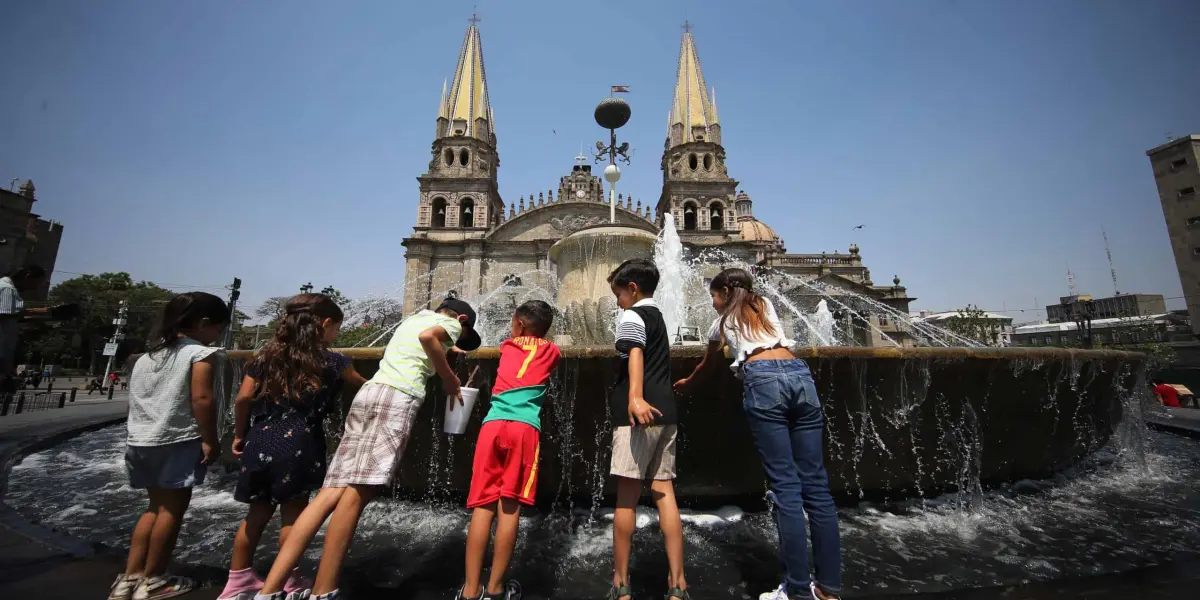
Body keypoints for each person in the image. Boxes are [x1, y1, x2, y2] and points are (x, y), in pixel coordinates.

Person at [254, 297, 482, 600]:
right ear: (462, 320)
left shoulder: (413, 319)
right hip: (397, 399)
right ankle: (324, 591)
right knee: (358, 493)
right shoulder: (451, 324)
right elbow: (430, 339)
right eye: (461, 337)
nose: (456, 339)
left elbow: (423, 339)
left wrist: (442, 355)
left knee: (329, 493)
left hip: (370, 393)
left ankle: (269, 590)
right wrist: (450, 378)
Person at [675, 268, 841, 600]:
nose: (711, 303)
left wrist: (685, 385)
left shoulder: (722, 320)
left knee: (786, 489)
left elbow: (706, 366)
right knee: (818, 489)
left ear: (723, 292)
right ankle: (828, 589)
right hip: (799, 375)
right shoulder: (765, 304)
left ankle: (796, 590)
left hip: (763, 379)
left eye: (713, 296)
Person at [218, 294, 366, 600]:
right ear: (325, 324)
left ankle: (237, 580)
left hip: (259, 438)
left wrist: (239, 433)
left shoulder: (262, 357)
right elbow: (364, 386)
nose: (336, 334)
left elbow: (243, 398)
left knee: (255, 515)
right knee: (292, 516)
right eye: (336, 328)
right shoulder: (333, 361)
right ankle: (289, 580)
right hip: (300, 440)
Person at [109, 292, 232, 600]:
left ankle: (130, 578)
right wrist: (210, 440)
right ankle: (155, 580)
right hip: (176, 440)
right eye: (218, 328)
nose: (217, 335)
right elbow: (202, 399)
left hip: (141, 440)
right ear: (203, 324)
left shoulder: (147, 357)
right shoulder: (199, 354)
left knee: (153, 508)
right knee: (171, 512)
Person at [458, 300, 561, 600]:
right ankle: (496, 589)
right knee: (510, 508)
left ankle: (470, 590)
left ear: (516, 324)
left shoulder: (507, 347)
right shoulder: (551, 351)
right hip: (524, 429)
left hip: (492, 426)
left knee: (482, 507)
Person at [604, 259, 689, 600]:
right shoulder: (660, 316)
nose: (618, 301)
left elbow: (634, 352)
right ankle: (677, 582)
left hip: (638, 414)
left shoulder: (632, 315)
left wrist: (635, 397)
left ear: (633, 288)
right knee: (664, 493)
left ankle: (621, 583)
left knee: (626, 498)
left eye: (619, 294)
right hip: (666, 410)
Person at [0, 265, 48, 396]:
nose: (36, 287)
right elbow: (6, 314)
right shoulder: (6, 289)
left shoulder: (9, 288)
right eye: (36, 283)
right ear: (27, 277)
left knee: (7, 390)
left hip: (5, 348)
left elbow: (14, 315)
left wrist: (46, 313)